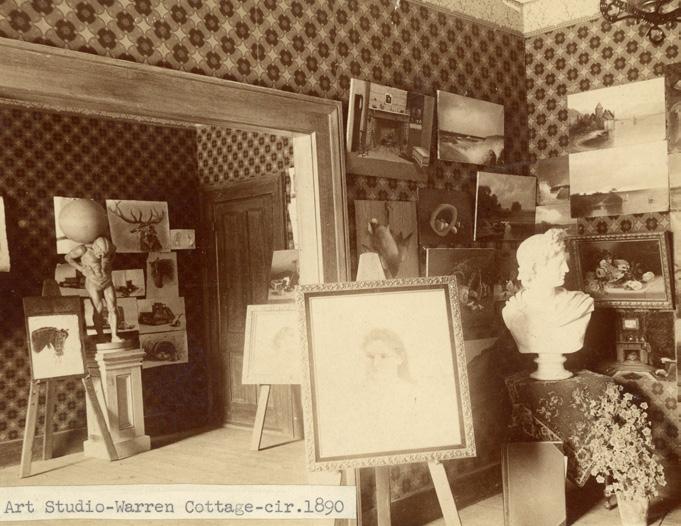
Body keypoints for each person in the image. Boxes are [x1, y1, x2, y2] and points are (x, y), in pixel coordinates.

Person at [502, 229, 594, 378]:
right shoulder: (513, 310)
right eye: (560, 263)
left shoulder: (579, 304)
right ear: (536, 267)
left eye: (565, 262)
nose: (566, 269)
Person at [65, 236, 121, 342]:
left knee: (113, 308)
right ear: (95, 247)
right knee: (98, 309)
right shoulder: (83, 250)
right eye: (99, 253)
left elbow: (113, 255)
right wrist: (81, 268)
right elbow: (67, 258)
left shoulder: (111, 248)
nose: (101, 256)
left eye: (104, 254)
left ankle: (114, 336)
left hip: (107, 281)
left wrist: (109, 265)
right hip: (93, 282)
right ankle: (101, 337)